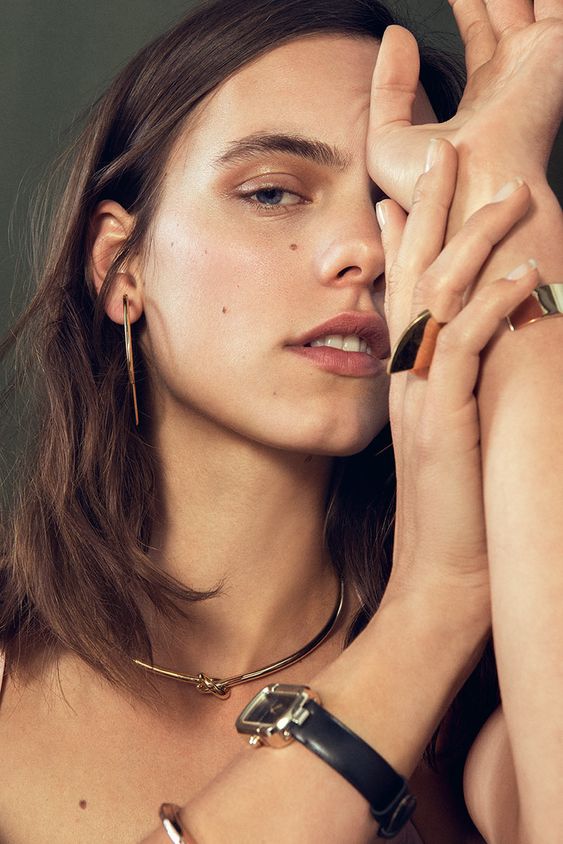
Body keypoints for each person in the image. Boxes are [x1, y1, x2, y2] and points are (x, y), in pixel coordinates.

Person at [0, 0, 561, 841]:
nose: (365, 252)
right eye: (273, 192)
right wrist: (427, 608)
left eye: (399, 206)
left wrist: (513, 225)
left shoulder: (500, 707)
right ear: (120, 265)